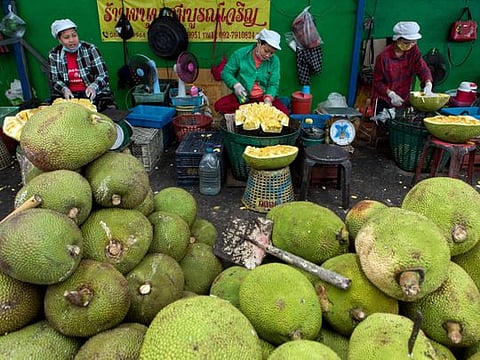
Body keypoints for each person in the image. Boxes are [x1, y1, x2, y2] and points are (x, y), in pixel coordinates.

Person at [214, 28, 289, 115]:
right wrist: (235, 84)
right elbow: (226, 72)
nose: (268, 55)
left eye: (272, 53)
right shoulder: (240, 54)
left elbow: (273, 84)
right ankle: (249, 113)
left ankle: (248, 113)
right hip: (243, 98)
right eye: (266, 51)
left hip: (263, 98)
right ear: (259, 43)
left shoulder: (274, 61)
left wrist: (268, 99)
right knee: (219, 106)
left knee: (285, 114)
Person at [48, 19, 116, 111]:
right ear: (59, 40)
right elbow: (55, 80)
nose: (72, 40)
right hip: (70, 95)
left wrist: (93, 87)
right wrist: (64, 90)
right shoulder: (54, 54)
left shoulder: (90, 49)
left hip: (95, 93)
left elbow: (103, 75)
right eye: (66, 37)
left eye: (74, 35)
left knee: (108, 112)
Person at [372, 21, 433, 112]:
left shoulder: (414, 51)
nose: (410, 46)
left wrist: (428, 83)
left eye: (413, 42)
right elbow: (377, 82)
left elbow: (422, 68)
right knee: (383, 122)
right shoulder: (383, 57)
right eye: (406, 43)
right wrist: (391, 94)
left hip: (404, 98)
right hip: (384, 99)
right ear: (397, 39)